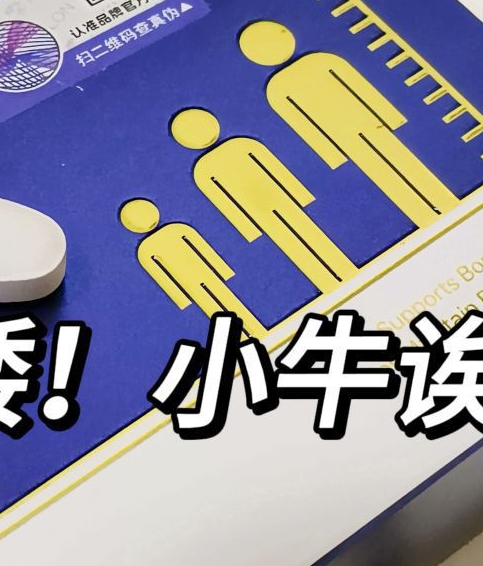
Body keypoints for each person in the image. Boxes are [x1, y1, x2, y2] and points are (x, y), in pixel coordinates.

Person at [237, 20, 457, 228]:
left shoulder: (285, 82)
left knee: (394, 163)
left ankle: (436, 204)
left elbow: (351, 89)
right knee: (387, 168)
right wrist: (333, 151)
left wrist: (386, 117)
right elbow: (304, 120)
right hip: (352, 131)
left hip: (359, 127)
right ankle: (428, 209)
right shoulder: (294, 76)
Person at [168, 106, 357, 294]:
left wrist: (296, 194)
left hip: (273, 201)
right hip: (261, 208)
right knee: (293, 239)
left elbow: (269, 168)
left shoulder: (212, 163)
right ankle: (330, 277)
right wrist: (249, 226)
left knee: (302, 234)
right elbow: (225, 198)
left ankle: (339, 272)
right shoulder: (218, 160)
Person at [117, 197, 265, 335]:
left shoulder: (147, 247)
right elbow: (200, 249)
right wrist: (221, 269)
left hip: (191, 281)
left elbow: (162, 274)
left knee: (213, 306)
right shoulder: (175, 230)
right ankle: (254, 331)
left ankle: (250, 333)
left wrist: (181, 297)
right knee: (223, 301)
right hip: (198, 277)